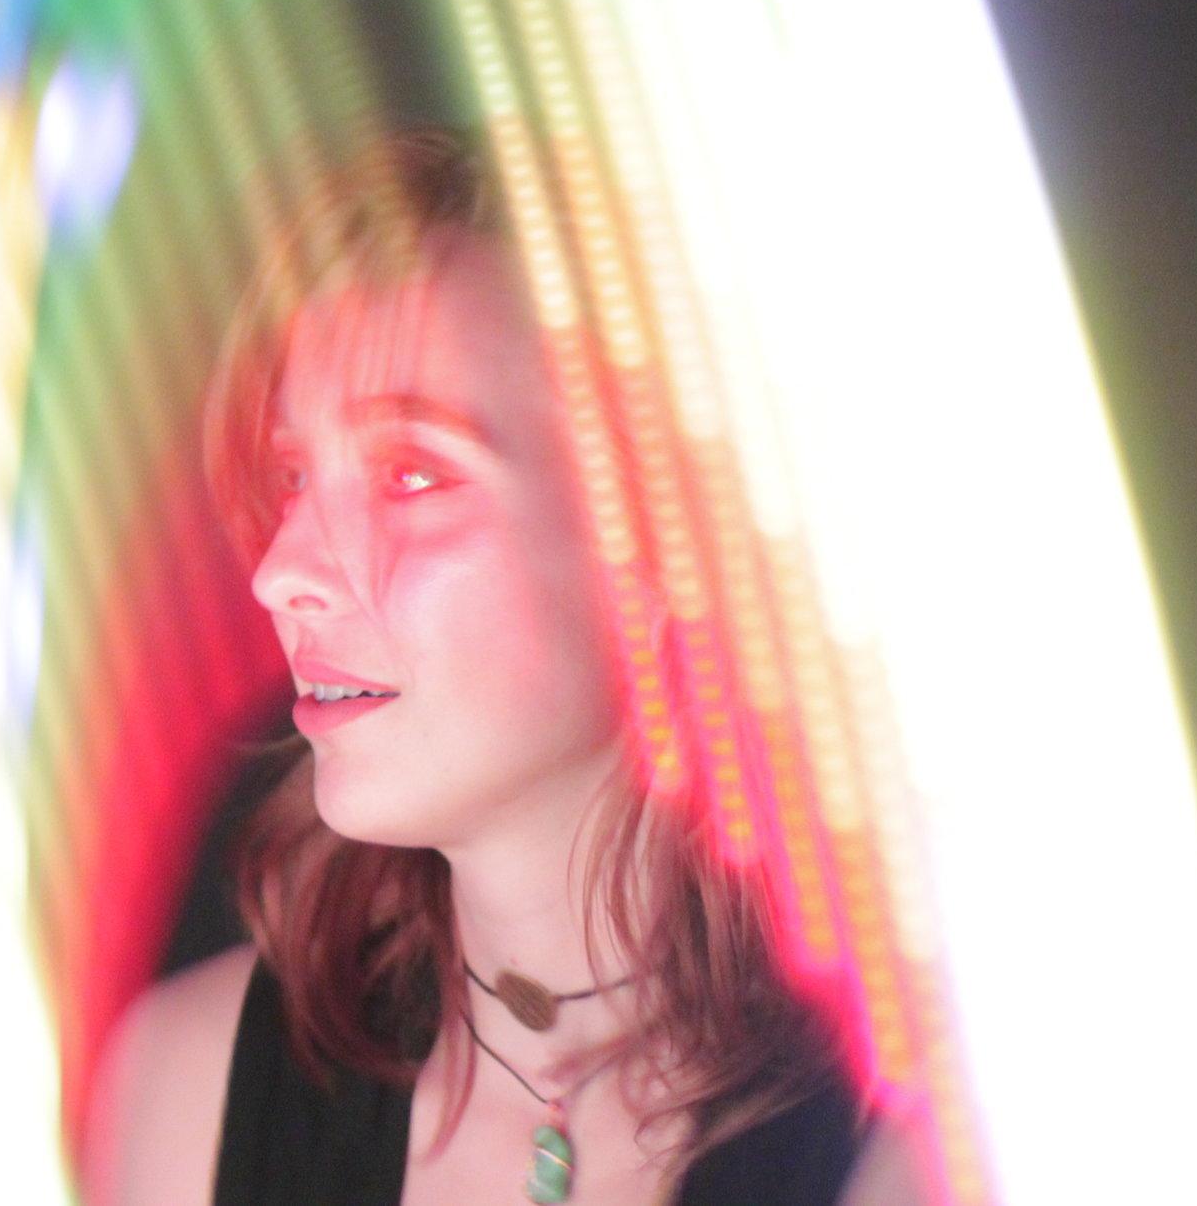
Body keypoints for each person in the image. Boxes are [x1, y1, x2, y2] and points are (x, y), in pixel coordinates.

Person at [80, 130, 934, 1206]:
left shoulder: (932, 1153)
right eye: (295, 473)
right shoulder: (184, 1096)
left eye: (409, 472)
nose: (280, 571)